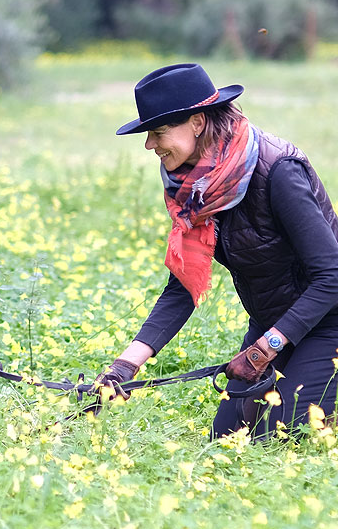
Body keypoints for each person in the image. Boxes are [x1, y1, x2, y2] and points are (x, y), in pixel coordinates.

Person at [96, 63, 338, 438]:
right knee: (226, 438)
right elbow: (184, 286)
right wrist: (124, 367)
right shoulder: (193, 189)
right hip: (272, 324)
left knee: (279, 435)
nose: (149, 145)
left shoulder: (278, 171)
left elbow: (332, 276)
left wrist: (265, 348)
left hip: (329, 323)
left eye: (158, 132)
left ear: (197, 122)